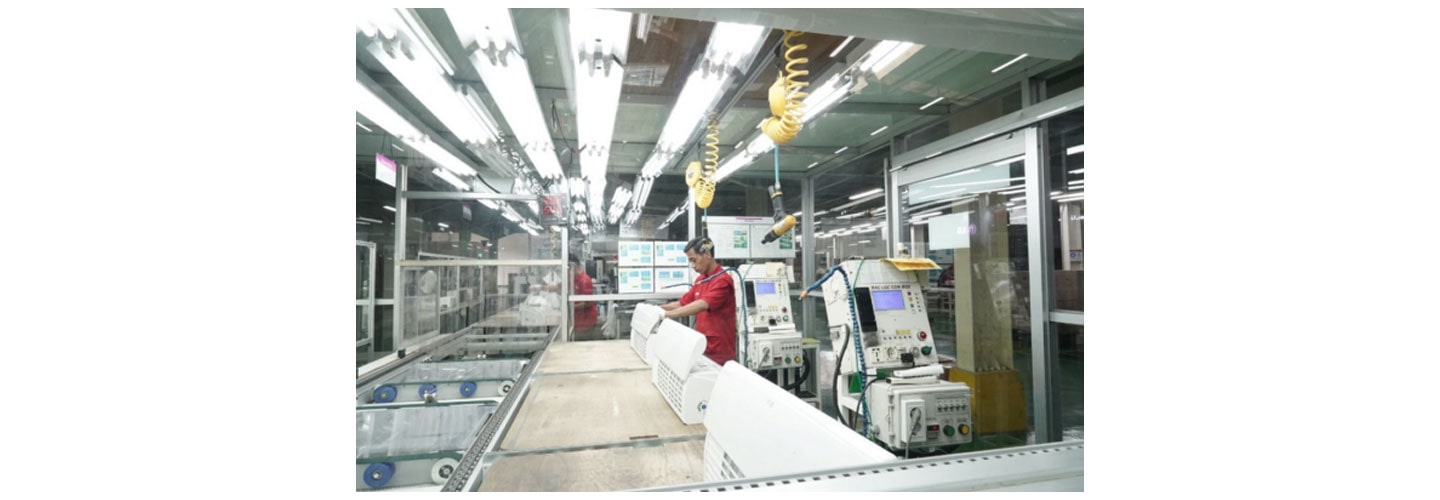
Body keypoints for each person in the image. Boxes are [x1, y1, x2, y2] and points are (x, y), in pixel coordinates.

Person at [660, 237, 737, 366]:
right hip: (703, 346)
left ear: (707, 254)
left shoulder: (722, 280)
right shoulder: (700, 280)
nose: (693, 266)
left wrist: (666, 315)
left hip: (719, 352)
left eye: (694, 260)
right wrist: (657, 309)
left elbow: (703, 304)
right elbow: (682, 303)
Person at [569, 254, 599, 339]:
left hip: (586, 323)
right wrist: (541, 287)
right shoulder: (572, 277)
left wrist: (571, 307)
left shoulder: (585, 280)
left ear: (575, 266)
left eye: (569, 268)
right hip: (576, 321)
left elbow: (588, 303)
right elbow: (559, 287)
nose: (568, 271)